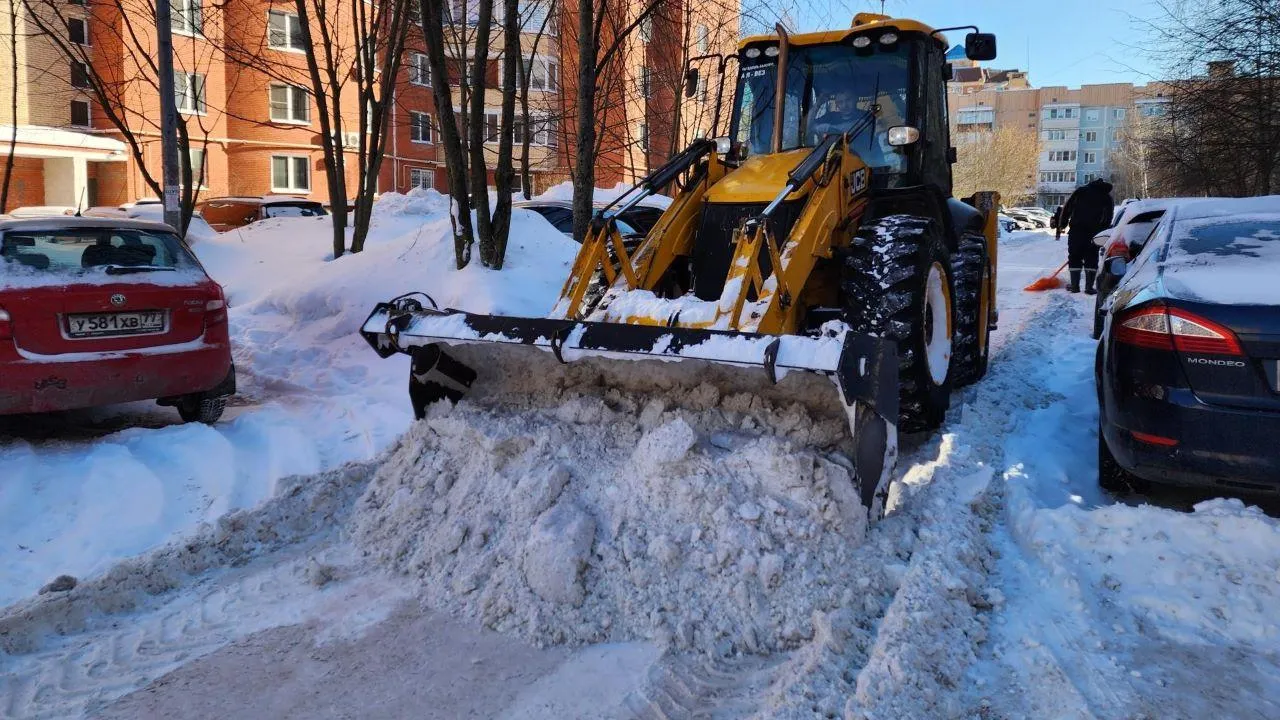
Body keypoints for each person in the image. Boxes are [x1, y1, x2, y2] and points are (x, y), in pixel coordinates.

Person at [1055, 178, 1114, 294]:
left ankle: (1075, 286)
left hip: (1077, 231)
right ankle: (1089, 288)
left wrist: (1062, 224)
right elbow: (1108, 216)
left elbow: (1067, 208)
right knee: (1091, 258)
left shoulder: (1081, 191)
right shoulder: (1106, 197)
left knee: (1074, 257)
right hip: (1095, 234)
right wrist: (1104, 232)